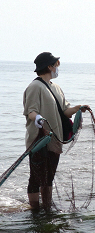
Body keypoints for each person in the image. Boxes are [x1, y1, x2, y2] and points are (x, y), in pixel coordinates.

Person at [23, 52, 89, 210]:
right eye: (55, 64)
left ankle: (46, 208)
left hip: (55, 138)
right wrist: (38, 118)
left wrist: (79, 108)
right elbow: (30, 111)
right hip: (38, 139)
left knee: (49, 176)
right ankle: (35, 210)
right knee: (36, 177)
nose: (57, 68)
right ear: (49, 66)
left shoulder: (56, 87)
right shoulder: (35, 86)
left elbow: (65, 110)